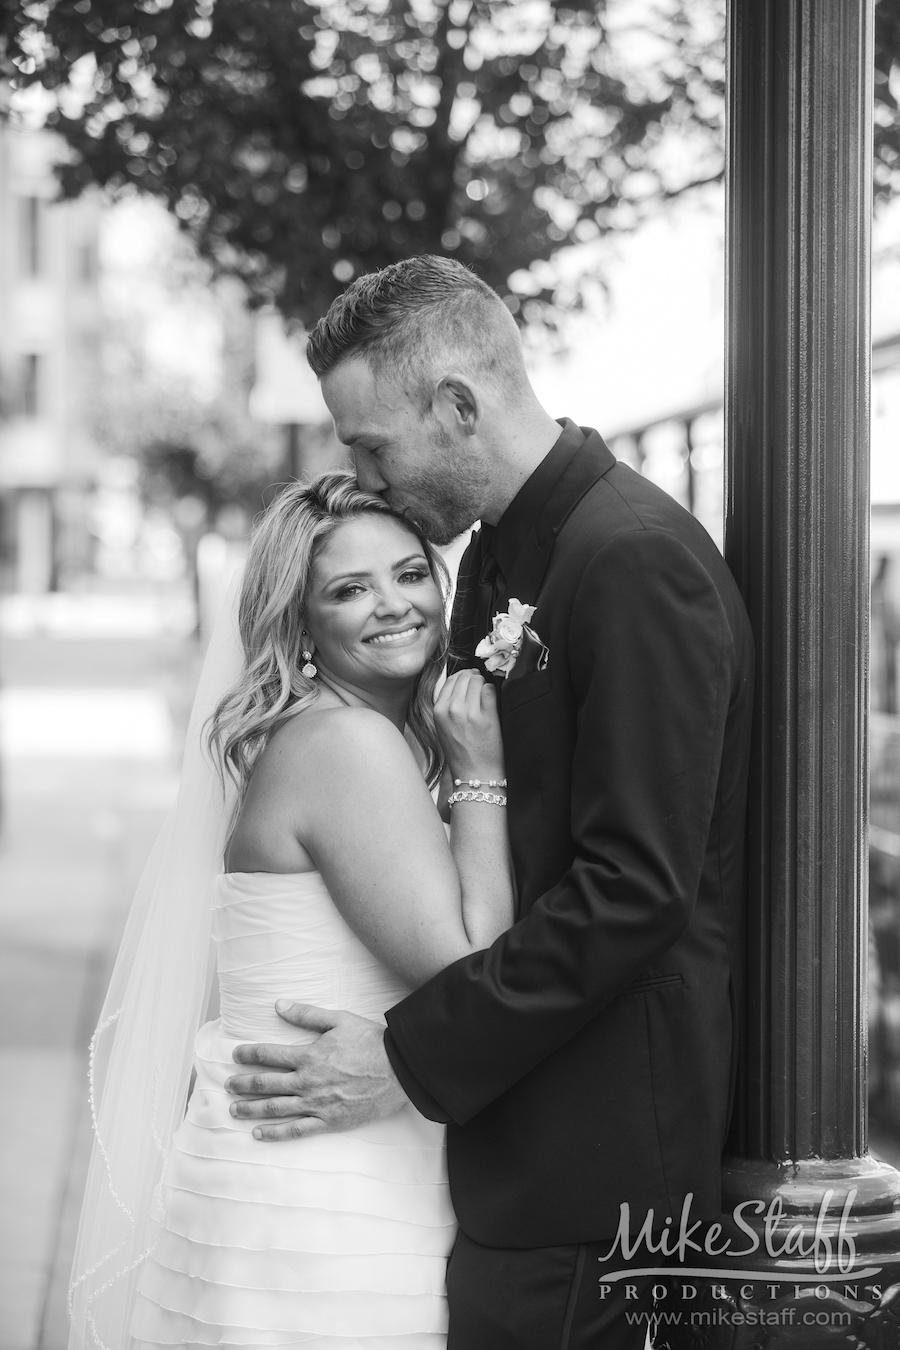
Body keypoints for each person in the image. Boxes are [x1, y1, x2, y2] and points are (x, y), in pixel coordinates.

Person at [224, 256, 756, 1350]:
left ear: (458, 407)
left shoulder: (632, 560)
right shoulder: (505, 557)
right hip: (510, 1140)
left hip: (592, 1159)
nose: (362, 472)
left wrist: (409, 1057)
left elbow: (635, 891)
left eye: (372, 444)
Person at [68, 471, 516, 1349]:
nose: (394, 605)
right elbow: (474, 963)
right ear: (301, 625)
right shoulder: (345, 744)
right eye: (350, 590)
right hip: (323, 1200)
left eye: (410, 574)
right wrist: (480, 770)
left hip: (299, 1168)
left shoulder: (329, 736)